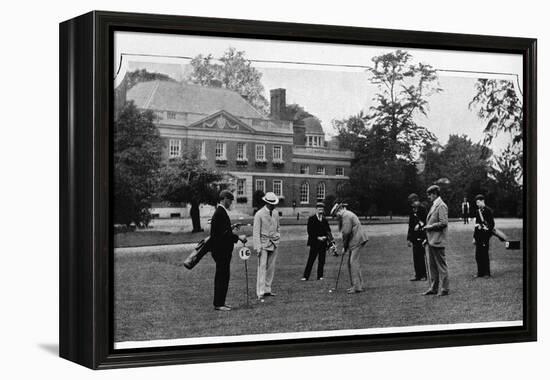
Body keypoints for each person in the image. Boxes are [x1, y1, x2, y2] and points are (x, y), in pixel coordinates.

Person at [210, 190, 247, 311]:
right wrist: (238, 237)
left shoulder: (220, 212)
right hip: (221, 251)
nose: (231, 203)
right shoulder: (220, 213)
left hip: (221, 251)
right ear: (224, 199)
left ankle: (221, 302)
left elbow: (223, 230)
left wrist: (232, 227)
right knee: (222, 276)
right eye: (230, 200)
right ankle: (219, 303)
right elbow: (223, 235)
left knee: (224, 276)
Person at [331, 202, 368, 294]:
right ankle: (357, 285)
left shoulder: (346, 215)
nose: (336, 217)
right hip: (356, 240)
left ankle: (357, 287)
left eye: (336, 215)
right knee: (351, 262)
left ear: (338, 211)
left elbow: (346, 233)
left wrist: (344, 247)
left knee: (353, 262)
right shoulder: (347, 214)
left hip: (357, 240)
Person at [253, 192, 281, 302]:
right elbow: (256, 232)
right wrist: (258, 247)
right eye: (270, 203)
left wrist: (277, 237)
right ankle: (260, 292)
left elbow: (278, 227)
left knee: (271, 267)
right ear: (266, 202)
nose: (273, 205)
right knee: (262, 267)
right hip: (263, 244)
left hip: (274, 243)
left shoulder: (276, 213)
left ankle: (267, 289)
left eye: (274, 203)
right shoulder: (259, 214)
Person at [422, 185, 450, 297]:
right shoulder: (435, 205)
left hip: (438, 241)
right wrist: (427, 239)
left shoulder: (441, 205)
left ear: (434, 194)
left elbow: (444, 223)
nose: (428, 197)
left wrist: (430, 227)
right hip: (431, 240)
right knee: (432, 266)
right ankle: (433, 288)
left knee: (441, 266)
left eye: (429, 195)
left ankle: (445, 289)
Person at [302, 202, 334, 281]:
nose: (321, 210)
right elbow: (310, 231)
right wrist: (317, 237)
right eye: (319, 209)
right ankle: (306, 276)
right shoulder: (312, 219)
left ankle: (320, 276)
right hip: (314, 243)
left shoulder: (324, 220)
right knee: (311, 260)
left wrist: (329, 240)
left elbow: (328, 231)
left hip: (323, 243)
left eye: (322, 209)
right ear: (316, 209)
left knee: (322, 260)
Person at [472, 194, 495, 278]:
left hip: (485, 236)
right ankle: (480, 272)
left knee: (484, 254)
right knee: (478, 255)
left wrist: (486, 230)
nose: (477, 204)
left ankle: (487, 273)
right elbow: (476, 225)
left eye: (478, 202)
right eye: (476, 202)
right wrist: (474, 237)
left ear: (482, 201)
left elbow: (492, 224)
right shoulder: (478, 211)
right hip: (478, 236)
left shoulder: (488, 211)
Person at [406, 193, 427, 281]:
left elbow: (426, 221)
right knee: (415, 256)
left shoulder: (423, 209)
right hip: (414, 237)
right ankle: (417, 274)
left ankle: (424, 274)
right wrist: (409, 238)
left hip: (422, 235)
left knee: (421, 256)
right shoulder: (412, 211)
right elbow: (410, 225)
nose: (412, 204)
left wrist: (420, 225)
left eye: (413, 202)